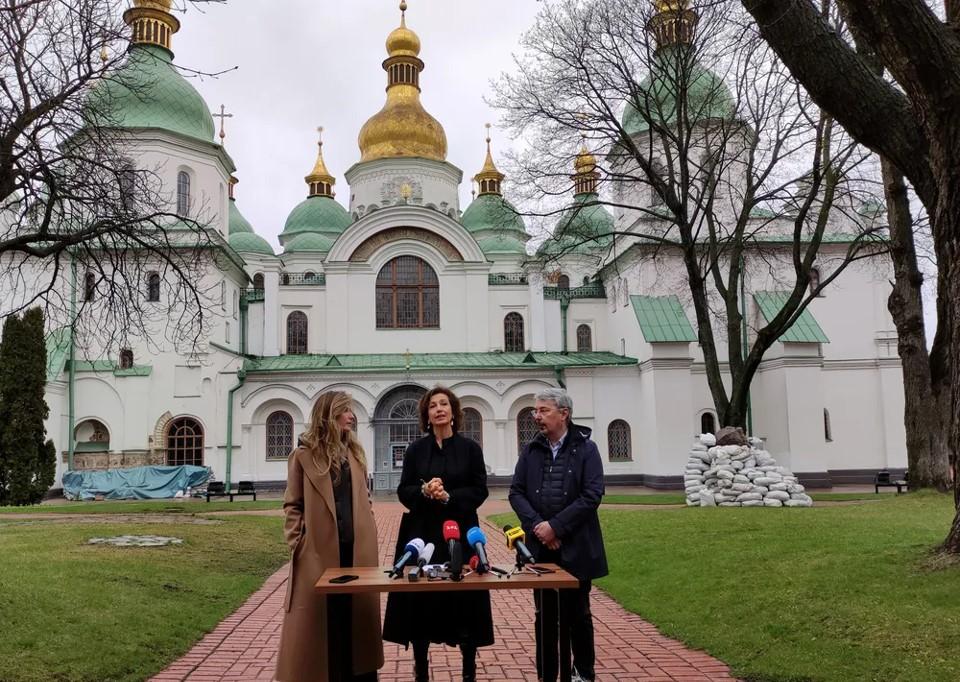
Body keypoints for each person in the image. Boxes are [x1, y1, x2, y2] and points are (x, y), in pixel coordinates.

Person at [382, 386, 493, 682]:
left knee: (465, 601)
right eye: (433, 406)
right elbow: (403, 491)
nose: (439, 409)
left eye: (444, 404)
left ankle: (468, 668)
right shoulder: (416, 450)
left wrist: (447, 497)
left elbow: (480, 489)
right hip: (424, 535)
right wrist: (423, 490)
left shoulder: (470, 449)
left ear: (454, 412)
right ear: (427, 415)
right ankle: (420, 667)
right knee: (422, 602)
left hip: (461, 534)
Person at [275, 391, 384, 682]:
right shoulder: (303, 455)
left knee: (355, 620)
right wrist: (298, 543)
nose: (351, 416)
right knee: (323, 622)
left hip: (356, 553)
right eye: (345, 411)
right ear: (329, 414)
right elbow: (292, 504)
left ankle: (357, 675)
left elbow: (365, 500)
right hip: (317, 555)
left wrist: (369, 528)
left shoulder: (355, 455)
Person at [508, 388, 608, 682]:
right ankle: (547, 675)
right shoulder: (531, 449)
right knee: (545, 618)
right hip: (541, 551)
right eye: (535, 411)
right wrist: (540, 527)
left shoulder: (586, 449)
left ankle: (584, 674)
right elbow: (516, 492)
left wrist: (557, 527)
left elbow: (592, 495)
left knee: (578, 614)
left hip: (576, 547)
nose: (536, 416)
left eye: (543, 410)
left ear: (563, 413)